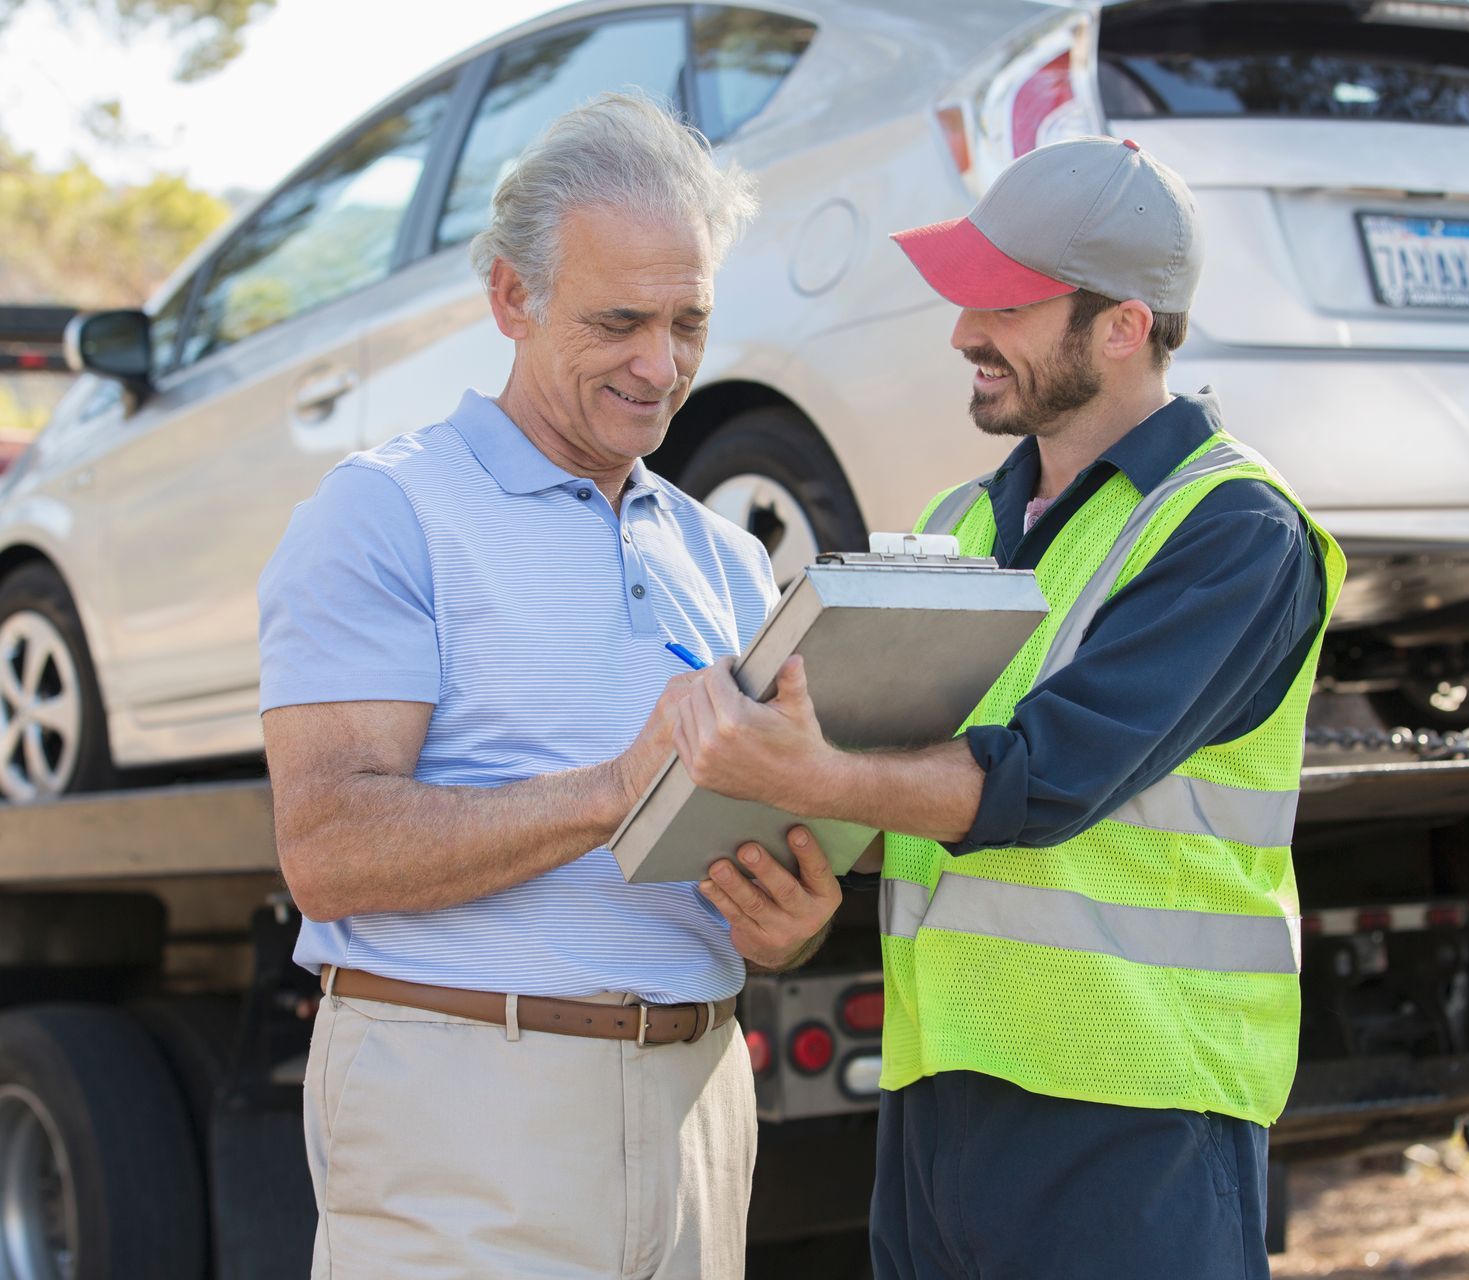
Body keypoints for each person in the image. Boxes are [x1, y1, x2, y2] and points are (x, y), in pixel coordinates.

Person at [669, 136, 1345, 1278]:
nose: (964, 332)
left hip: (1135, 1110)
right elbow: (902, 794)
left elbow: (1043, 775)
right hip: (941, 1103)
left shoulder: (1237, 532)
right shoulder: (967, 522)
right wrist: (806, 875)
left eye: (1007, 303)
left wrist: (809, 775)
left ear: (1124, 326)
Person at [257, 94, 839, 1279]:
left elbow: (750, 861)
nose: (660, 364)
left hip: (701, 1105)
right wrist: (616, 790)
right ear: (511, 298)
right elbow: (327, 845)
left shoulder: (725, 558)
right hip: (465, 1108)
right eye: (619, 319)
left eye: (689, 321)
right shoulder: (389, 512)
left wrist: (794, 915)